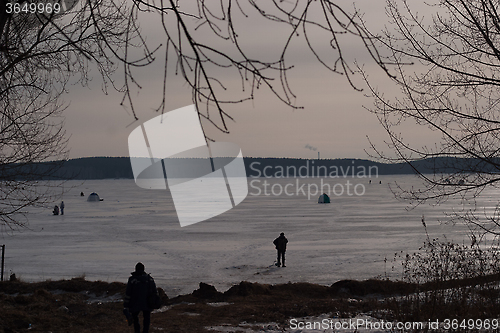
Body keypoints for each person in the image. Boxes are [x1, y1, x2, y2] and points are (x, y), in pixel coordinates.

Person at [124, 263, 158, 333]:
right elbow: (155, 292)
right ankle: (145, 331)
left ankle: (137, 331)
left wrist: (126, 304)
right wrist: (155, 302)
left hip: (134, 302)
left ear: (136, 269)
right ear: (143, 269)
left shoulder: (132, 279)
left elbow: (128, 293)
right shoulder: (149, 279)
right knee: (147, 318)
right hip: (148, 302)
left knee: (135, 317)